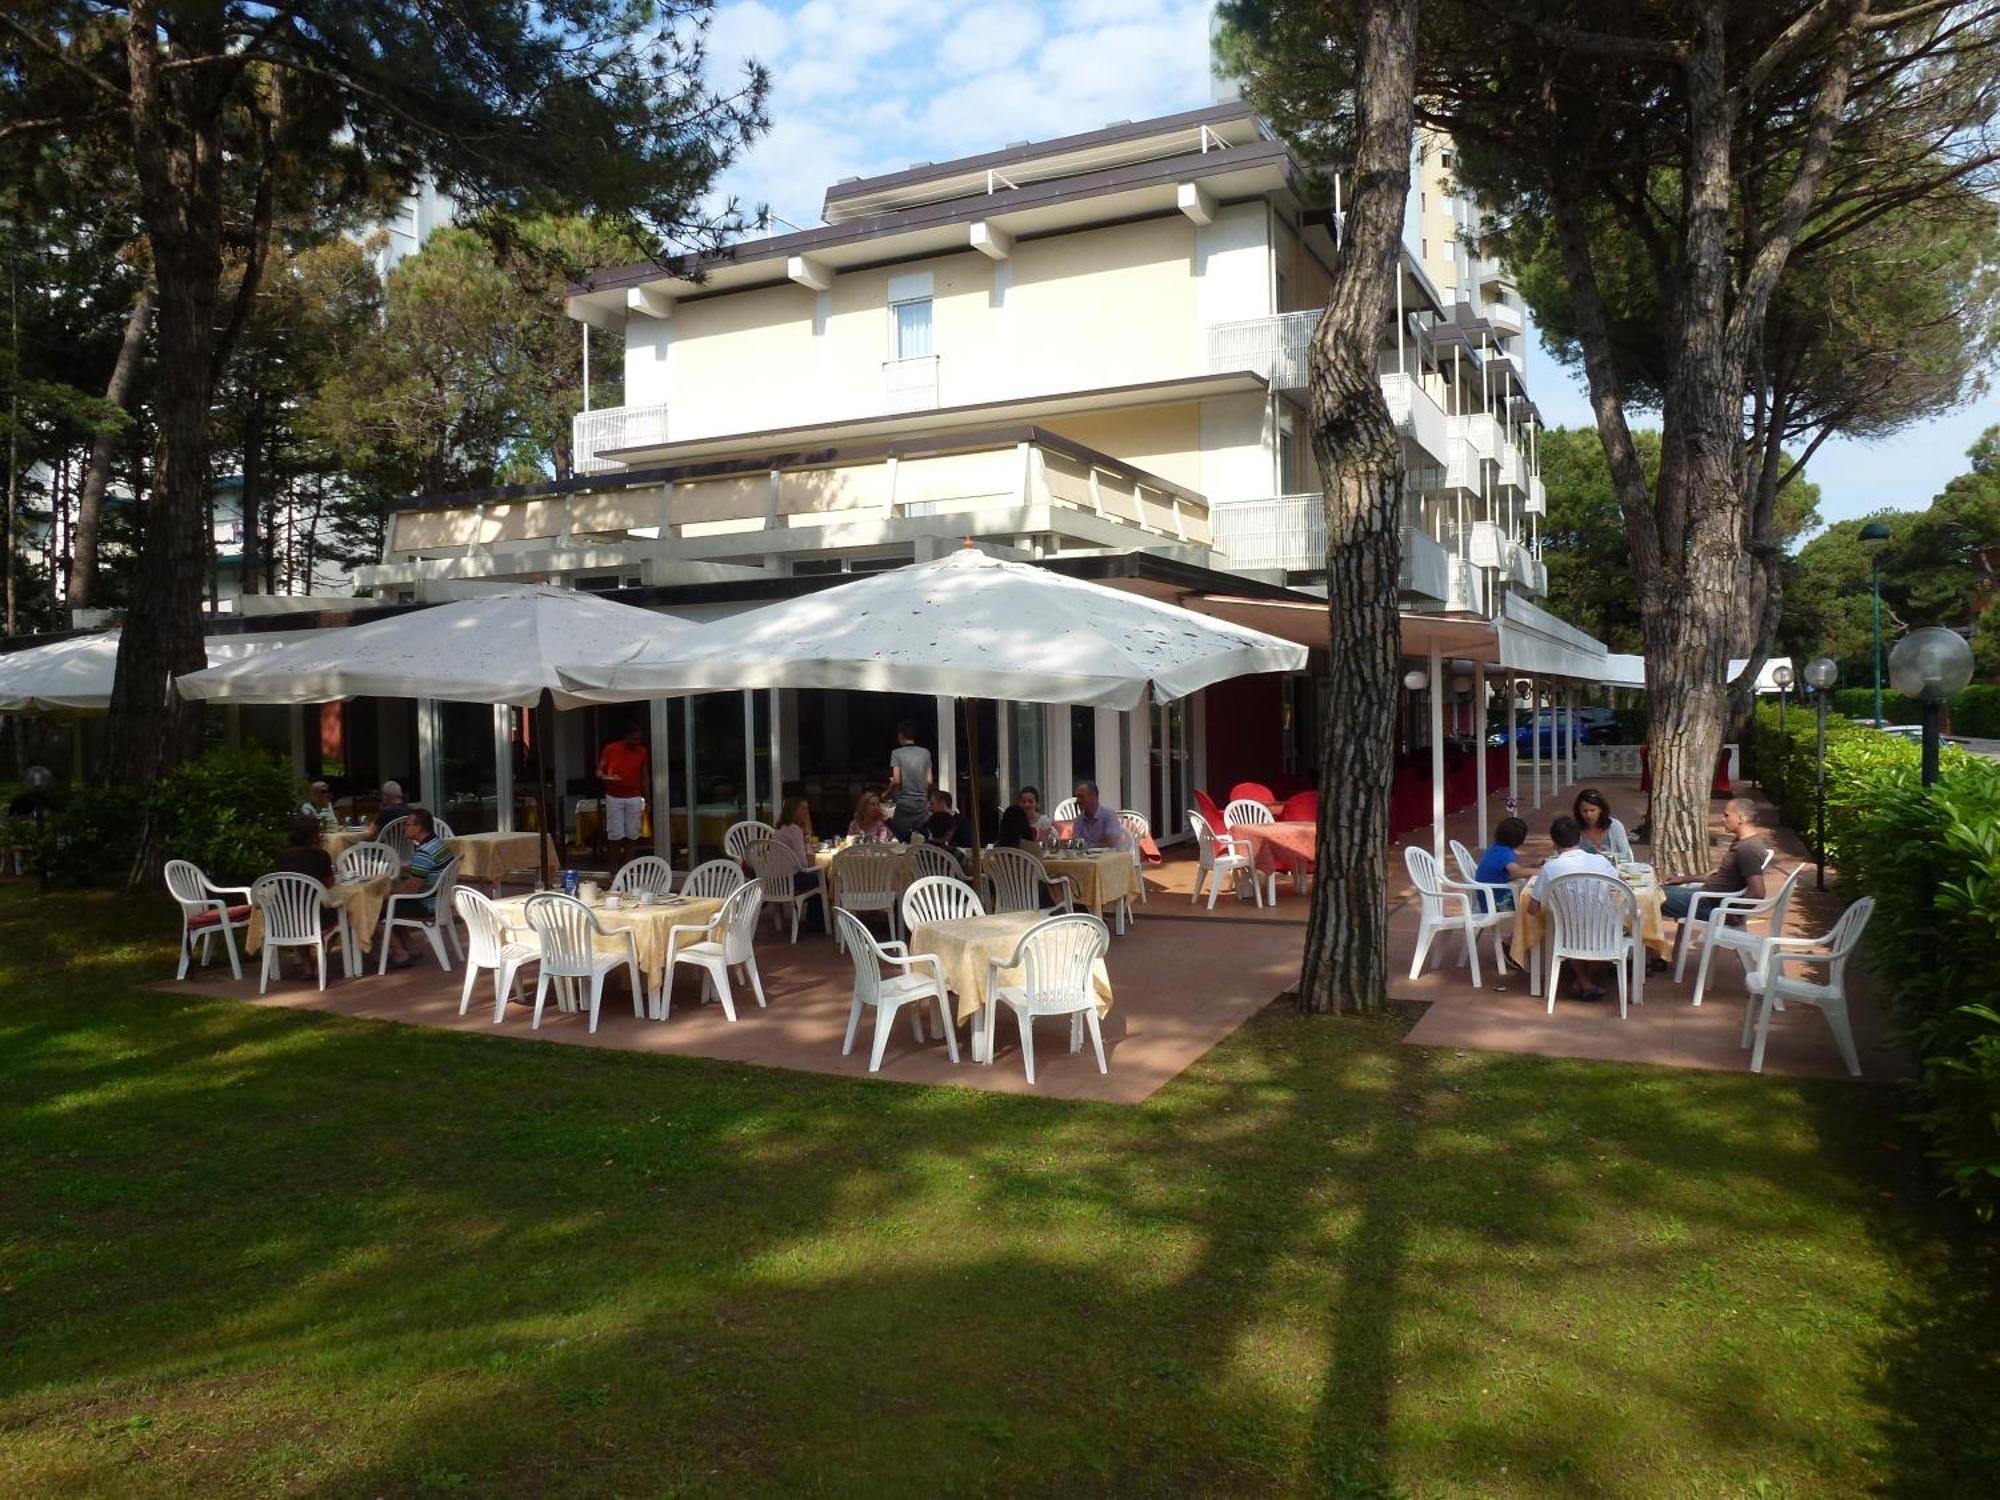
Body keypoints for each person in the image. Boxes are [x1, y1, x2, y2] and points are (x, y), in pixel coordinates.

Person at [1528, 815, 1620, 1001]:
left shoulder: (1551, 868)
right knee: (1606, 933)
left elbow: (1532, 909)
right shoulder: (1601, 861)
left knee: (1566, 929)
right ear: (1579, 838)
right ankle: (1585, 982)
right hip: (1604, 927)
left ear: (1553, 841)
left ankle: (1582, 981)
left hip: (1569, 930)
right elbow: (1620, 885)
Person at [1660, 797, 1771, 921]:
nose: (1722, 819)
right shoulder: (1741, 842)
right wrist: (1684, 879)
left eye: (1726, 815)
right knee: (1657, 891)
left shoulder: (1749, 848)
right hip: (1704, 896)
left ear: (1742, 818)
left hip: (1709, 905)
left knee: (1646, 899)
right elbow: (1719, 875)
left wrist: (1732, 913)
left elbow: (1758, 893)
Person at [384, 807, 453, 969]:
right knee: (392, 904)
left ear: (419, 827)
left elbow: (412, 889)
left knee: (377, 911)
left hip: (427, 905)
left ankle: (400, 954)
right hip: (438, 900)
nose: (404, 828)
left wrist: (390, 893)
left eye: (407, 824)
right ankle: (411, 947)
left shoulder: (424, 853)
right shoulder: (439, 844)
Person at [596, 724, 650, 870]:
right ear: (625, 737)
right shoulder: (611, 749)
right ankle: (613, 868)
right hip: (614, 796)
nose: (636, 742)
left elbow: (644, 774)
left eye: (639, 740)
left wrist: (648, 797)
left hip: (634, 796)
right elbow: (599, 771)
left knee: (633, 833)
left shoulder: (642, 751)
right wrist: (607, 778)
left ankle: (628, 867)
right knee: (615, 833)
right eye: (634, 739)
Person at [772, 795, 828, 930]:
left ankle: (814, 916)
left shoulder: (780, 829)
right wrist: (806, 843)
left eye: (807, 809)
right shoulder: (795, 830)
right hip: (789, 881)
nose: (806, 812)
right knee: (821, 877)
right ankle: (818, 919)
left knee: (815, 877)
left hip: (774, 881)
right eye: (803, 809)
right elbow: (803, 864)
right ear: (793, 810)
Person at [886, 720, 934, 841]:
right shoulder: (925, 753)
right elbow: (929, 781)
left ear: (900, 735)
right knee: (922, 840)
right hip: (922, 805)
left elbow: (896, 781)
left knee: (897, 835)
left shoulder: (897, 753)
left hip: (904, 806)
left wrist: (886, 793)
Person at [1472, 815, 1531, 913]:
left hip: (1487, 898)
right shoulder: (1505, 853)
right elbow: (1517, 872)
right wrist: (1541, 871)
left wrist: (1533, 867)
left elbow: (1511, 872)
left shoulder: (1495, 848)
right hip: (1496, 902)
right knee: (1533, 901)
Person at [272, 813, 336, 887]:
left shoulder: (281, 854)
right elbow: (329, 884)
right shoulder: (321, 855)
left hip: (285, 898)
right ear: (315, 835)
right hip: (313, 898)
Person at [1573, 788, 1633, 862]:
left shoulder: (1615, 826)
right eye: (1585, 811)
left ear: (1600, 809)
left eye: (1592, 810)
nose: (1589, 815)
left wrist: (1608, 855)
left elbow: (1626, 856)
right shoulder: (1574, 828)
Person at [1066, 780, 1128, 850]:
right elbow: (1076, 845)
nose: (1077, 801)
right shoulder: (1078, 821)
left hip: (1110, 859)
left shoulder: (1109, 815)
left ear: (1093, 797)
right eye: (1077, 797)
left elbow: (1110, 844)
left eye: (1081, 797)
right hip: (1087, 860)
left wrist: (1087, 847)